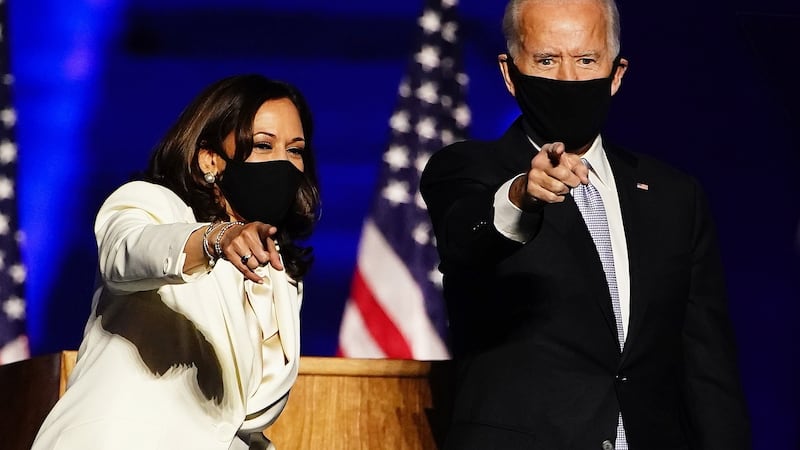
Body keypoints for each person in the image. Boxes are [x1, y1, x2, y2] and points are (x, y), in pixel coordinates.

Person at [420, 0, 751, 448]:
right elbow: (465, 238)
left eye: (586, 60)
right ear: (509, 71)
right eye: (547, 60)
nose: (568, 79)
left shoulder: (675, 196)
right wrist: (522, 194)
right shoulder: (466, 169)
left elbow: (707, 364)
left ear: (616, 74)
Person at [32, 74, 320, 450]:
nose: (283, 162)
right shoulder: (152, 205)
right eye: (263, 145)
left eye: (294, 150)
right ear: (210, 158)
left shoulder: (280, 273)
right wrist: (215, 239)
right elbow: (126, 253)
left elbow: (230, 420)